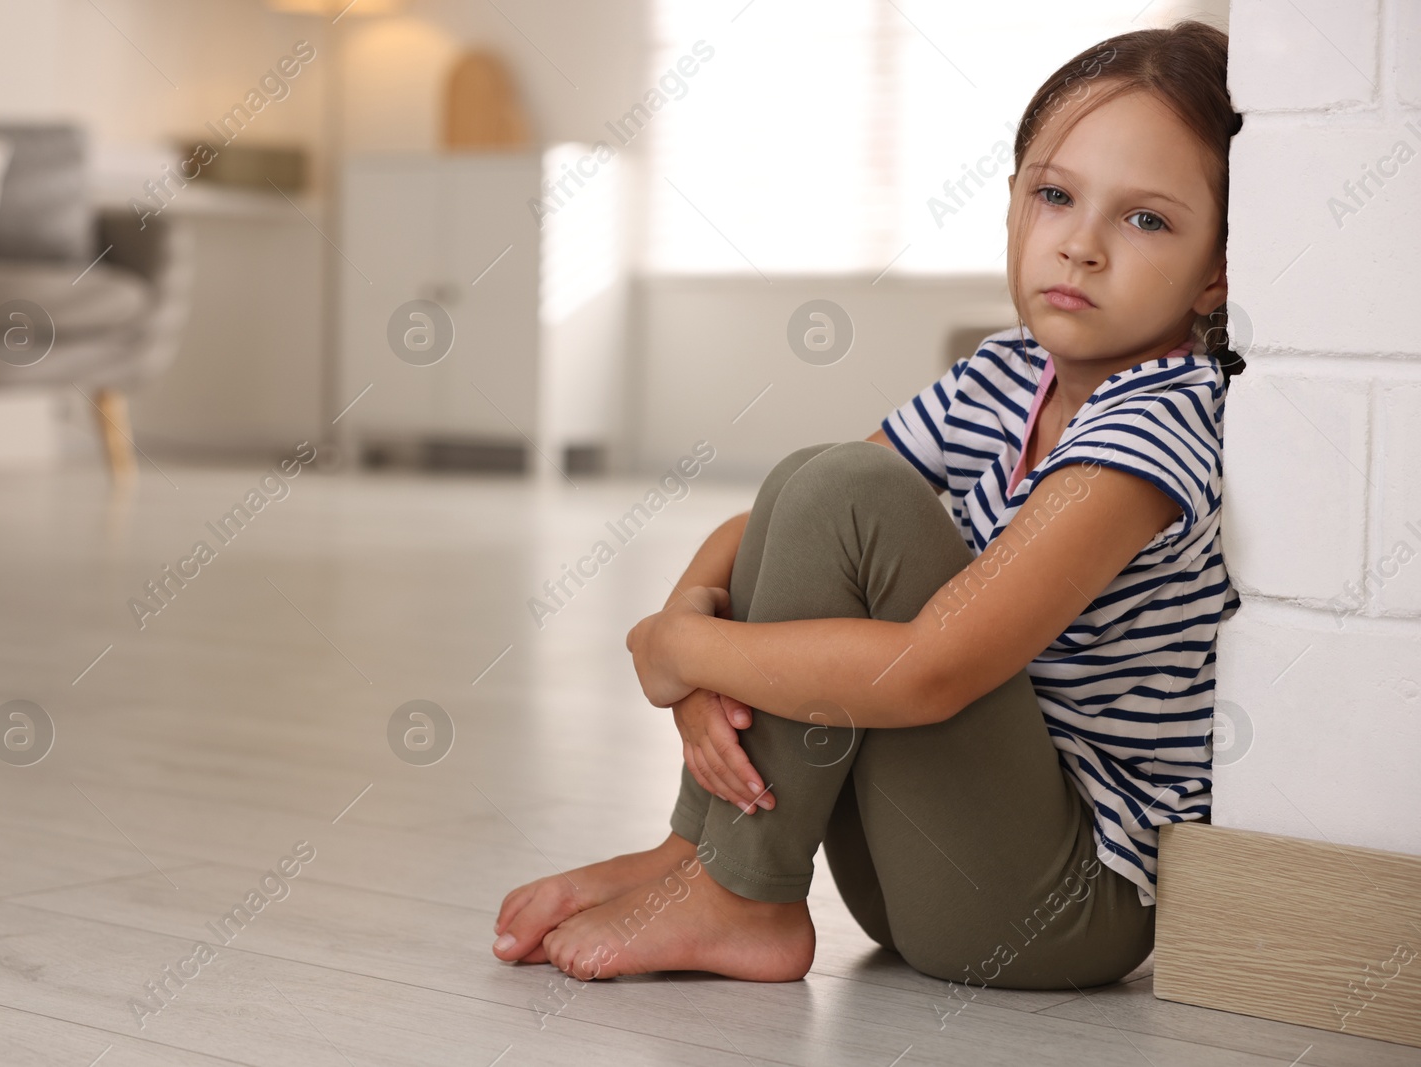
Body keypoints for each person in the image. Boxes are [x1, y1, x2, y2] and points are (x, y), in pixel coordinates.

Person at [493, 19, 1245, 990]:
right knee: (817, 479)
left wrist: (689, 653)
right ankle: (705, 856)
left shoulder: (1162, 421)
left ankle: (748, 894)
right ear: (1012, 208)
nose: (1082, 246)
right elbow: (783, 518)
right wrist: (680, 617)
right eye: (1054, 195)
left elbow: (929, 672)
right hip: (923, 867)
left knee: (848, 492)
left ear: (1216, 273)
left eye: (1145, 220)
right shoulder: (1008, 373)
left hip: (1056, 906)